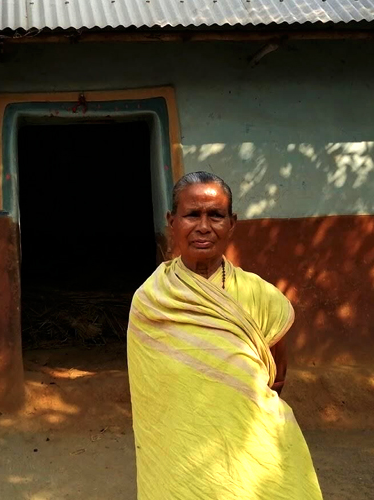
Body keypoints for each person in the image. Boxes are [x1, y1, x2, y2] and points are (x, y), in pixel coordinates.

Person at [128, 172, 323, 500]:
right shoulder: (151, 301)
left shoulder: (261, 296)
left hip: (252, 453)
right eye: (192, 215)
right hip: (180, 456)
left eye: (215, 215)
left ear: (232, 223)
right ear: (172, 221)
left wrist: (238, 406)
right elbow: (151, 393)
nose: (203, 226)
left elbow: (277, 375)